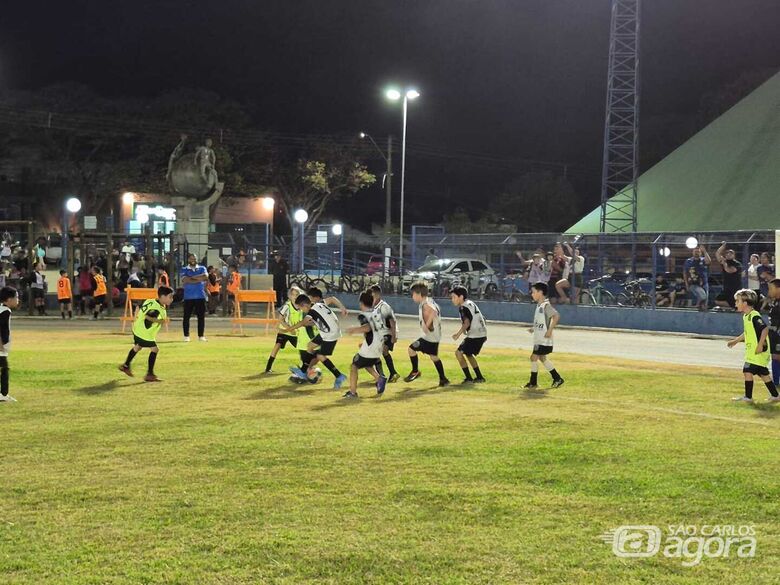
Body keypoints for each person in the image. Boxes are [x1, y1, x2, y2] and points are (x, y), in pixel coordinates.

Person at [285, 293, 347, 389]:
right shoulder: (319, 303)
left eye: (301, 308)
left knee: (320, 356)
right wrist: (342, 308)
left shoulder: (312, 311)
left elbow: (303, 322)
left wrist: (290, 328)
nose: (301, 310)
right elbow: (332, 299)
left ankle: (339, 376)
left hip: (330, 334)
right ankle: (303, 371)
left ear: (305, 305)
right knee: (310, 345)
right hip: (328, 331)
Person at [727, 288, 779, 403]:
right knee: (763, 373)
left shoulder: (754, 316)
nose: (735, 304)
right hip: (754, 352)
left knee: (747, 371)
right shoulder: (746, 316)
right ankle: (776, 396)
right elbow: (747, 332)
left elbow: (765, 329)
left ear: (745, 303)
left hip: (758, 351)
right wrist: (735, 341)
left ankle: (748, 397)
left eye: (737, 301)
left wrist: (760, 345)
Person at [119, 286, 174, 383]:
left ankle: (126, 366)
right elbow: (148, 319)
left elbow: (139, 307)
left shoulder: (150, 301)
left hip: (137, 329)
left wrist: (138, 317)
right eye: (170, 297)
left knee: (137, 347)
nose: (172, 299)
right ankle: (150, 374)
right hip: (144, 333)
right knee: (155, 349)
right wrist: (159, 321)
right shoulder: (157, 308)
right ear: (162, 296)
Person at [342, 291, 389, 399]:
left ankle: (353, 392)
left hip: (371, 347)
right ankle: (379, 378)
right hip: (378, 347)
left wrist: (354, 330)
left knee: (354, 366)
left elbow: (367, 328)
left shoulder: (364, 315)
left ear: (361, 303)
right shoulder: (377, 313)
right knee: (366, 363)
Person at [404, 282, 449, 386]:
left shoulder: (425, 304)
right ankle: (443, 379)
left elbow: (433, 311)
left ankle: (415, 371)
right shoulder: (429, 301)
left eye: (413, 294)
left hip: (429, 337)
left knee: (411, 349)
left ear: (419, 294)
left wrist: (427, 325)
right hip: (434, 336)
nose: (412, 297)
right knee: (434, 357)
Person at [524, 282, 564, 390]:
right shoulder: (539, 306)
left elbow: (556, 316)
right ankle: (557, 378)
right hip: (539, 339)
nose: (532, 294)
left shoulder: (546, 305)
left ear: (540, 292)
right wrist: (534, 328)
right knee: (542, 358)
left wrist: (550, 330)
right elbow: (541, 322)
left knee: (533, 357)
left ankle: (533, 382)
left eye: (533, 292)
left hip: (544, 340)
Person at [450, 286, 487, 384]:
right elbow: (482, 317)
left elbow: (466, 322)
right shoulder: (470, 303)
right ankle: (479, 377)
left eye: (454, 297)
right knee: (468, 353)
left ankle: (469, 378)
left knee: (458, 353)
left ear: (461, 297)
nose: (452, 299)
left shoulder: (463, 307)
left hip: (475, 335)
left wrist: (457, 334)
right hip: (482, 334)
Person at [264, 286, 303, 374]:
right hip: (284, 331)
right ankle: (268, 368)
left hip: (294, 333)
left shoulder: (301, 307)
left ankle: (303, 368)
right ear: (290, 296)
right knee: (277, 346)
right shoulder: (287, 306)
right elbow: (280, 319)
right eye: (293, 295)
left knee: (302, 349)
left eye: (297, 294)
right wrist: (288, 328)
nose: (295, 296)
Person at [369, 284, 400, 383]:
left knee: (380, 351)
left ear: (377, 295)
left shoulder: (384, 306)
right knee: (381, 352)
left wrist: (393, 336)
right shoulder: (375, 307)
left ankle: (383, 376)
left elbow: (392, 321)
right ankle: (390, 374)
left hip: (388, 333)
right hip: (382, 334)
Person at [181, 253, 208, 342]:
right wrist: (198, 279)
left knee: (201, 317)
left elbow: (205, 277)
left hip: (200, 296)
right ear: (188, 259)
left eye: (194, 258)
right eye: (191, 258)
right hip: (188, 297)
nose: (193, 260)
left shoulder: (202, 268)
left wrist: (191, 278)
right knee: (186, 317)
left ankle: (201, 336)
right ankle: (186, 336)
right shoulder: (184, 269)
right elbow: (185, 279)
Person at [0, 286, 20, 402]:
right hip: (1, 346)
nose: (18, 300)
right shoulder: (5, 311)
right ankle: (3, 394)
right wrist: (2, 344)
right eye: (16, 297)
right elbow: (2, 329)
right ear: (9, 299)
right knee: (4, 369)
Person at [715, 242, 743, 310]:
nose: (728, 254)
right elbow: (717, 254)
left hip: (734, 288)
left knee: (734, 302)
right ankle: (730, 307)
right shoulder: (725, 261)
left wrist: (724, 263)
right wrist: (723, 246)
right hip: (726, 287)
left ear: (734, 255)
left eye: (731, 253)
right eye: (727, 253)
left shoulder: (737, 264)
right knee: (717, 300)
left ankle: (734, 307)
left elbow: (729, 270)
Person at [683, 245, 711, 311]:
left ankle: (700, 309)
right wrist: (686, 284)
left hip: (704, 283)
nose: (696, 253)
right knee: (703, 296)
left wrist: (704, 251)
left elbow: (709, 261)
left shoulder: (703, 260)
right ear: (692, 252)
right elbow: (685, 273)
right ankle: (697, 305)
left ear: (700, 253)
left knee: (704, 304)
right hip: (693, 283)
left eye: (698, 251)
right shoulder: (688, 261)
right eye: (695, 251)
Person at [766, 279, 780, 386]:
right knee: (775, 356)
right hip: (774, 335)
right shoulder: (774, 302)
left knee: (777, 357)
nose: (769, 291)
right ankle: (776, 382)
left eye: (771, 288)